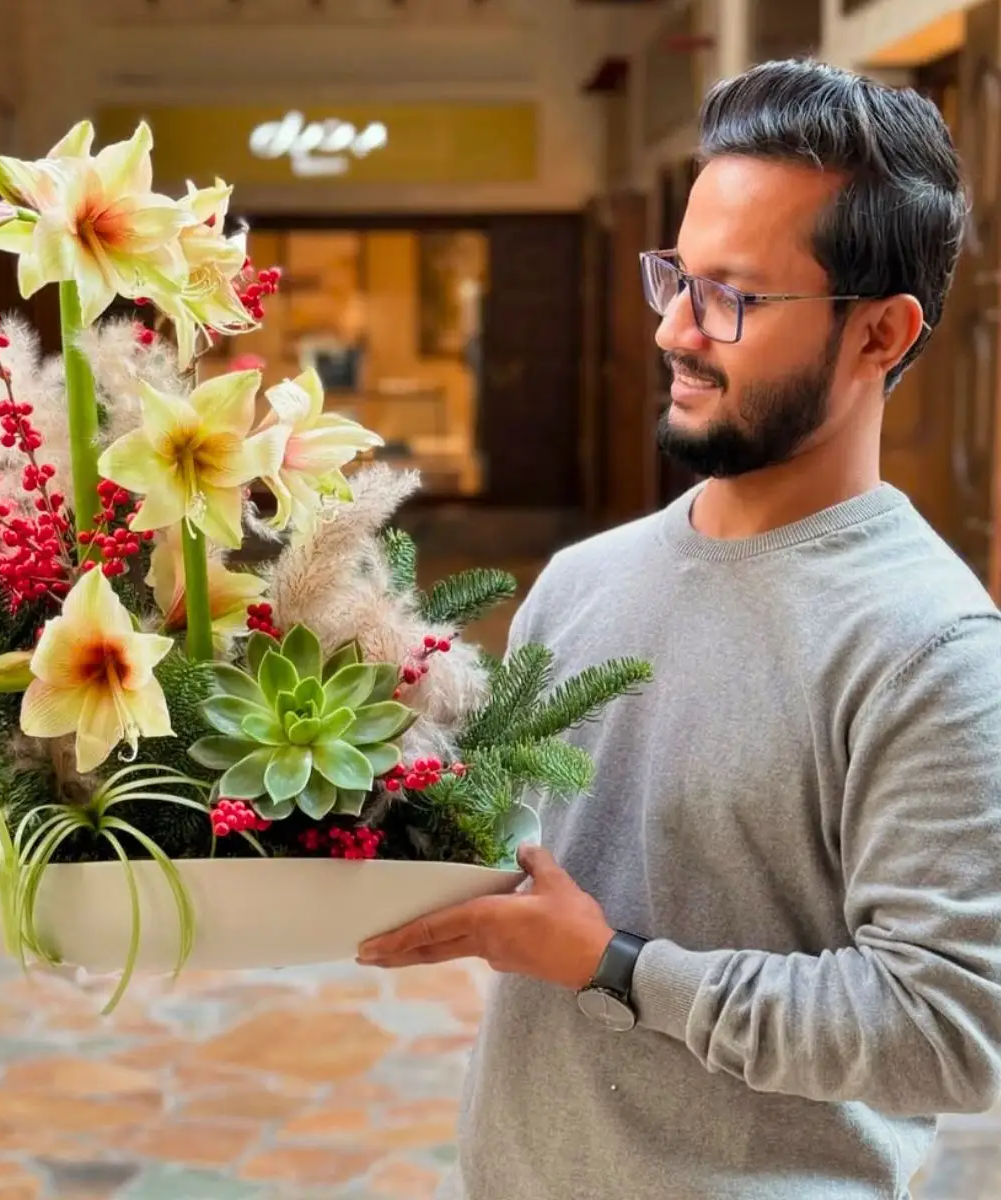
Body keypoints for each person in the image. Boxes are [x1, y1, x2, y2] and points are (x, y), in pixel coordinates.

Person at [356, 58, 1001, 1199]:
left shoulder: (931, 650)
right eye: (676, 277)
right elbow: (507, 856)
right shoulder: (581, 580)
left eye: (733, 297)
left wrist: (617, 970)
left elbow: (950, 1031)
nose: (672, 330)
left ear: (881, 334)